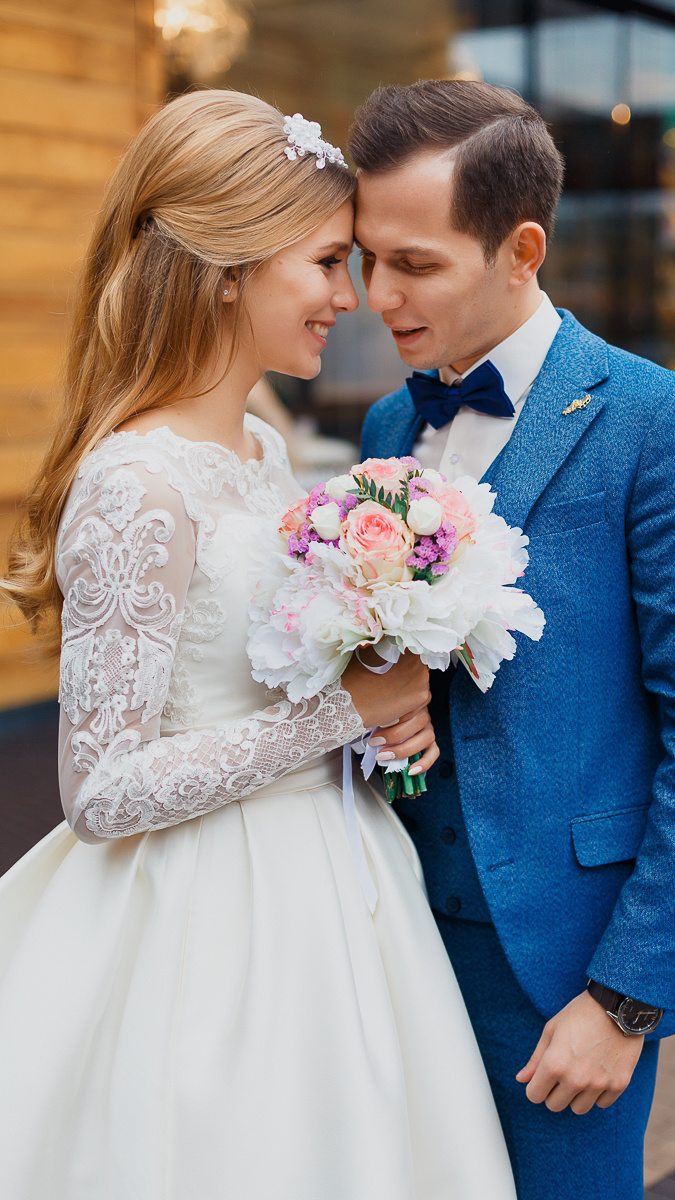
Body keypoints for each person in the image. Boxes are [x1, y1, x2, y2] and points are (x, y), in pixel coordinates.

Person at [0, 90, 518, 1200]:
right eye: (326, 261)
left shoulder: (253, 450)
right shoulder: (135, 482)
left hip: (334, 880)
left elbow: (261, 672)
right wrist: (349, 711)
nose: (351, 297)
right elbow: (98, 791)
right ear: (228, 267)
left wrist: (387, 717)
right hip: (207, 925)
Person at [351, 79, 675, 1200]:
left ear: (519, 247)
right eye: (364, 260)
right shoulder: (389, 426)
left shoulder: (659, 421)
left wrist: (622, 1002)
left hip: (562, 972)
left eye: (416, 264)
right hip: (385, 940)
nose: (377, 296)